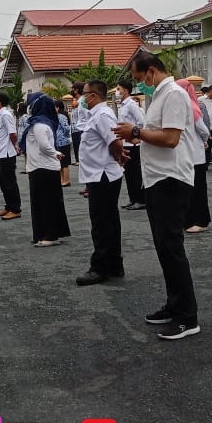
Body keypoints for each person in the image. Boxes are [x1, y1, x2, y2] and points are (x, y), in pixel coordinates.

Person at [114, 52, 200, 341]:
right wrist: (132, 138)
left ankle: (187, 317)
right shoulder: (159, 96)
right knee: (164, 247)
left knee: (171, 247)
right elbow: (154, 135)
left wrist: (136, 130)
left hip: (171, 178)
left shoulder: (173, 94)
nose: (140, 86)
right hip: (157, 179)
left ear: (151, 72)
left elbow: (171, 138)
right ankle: (175, 305)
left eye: (140, 80)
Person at [76, 79, 126, 285]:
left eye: (83, 93)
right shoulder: (96, 114)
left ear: (94, 95)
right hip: (99, 174)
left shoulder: (103, 115)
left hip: (103, 174)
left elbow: (114, 142)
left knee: (101, 222)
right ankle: (114, 265)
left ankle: (100, 267)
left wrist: (118, 157)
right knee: (109, 220)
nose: (80, 97)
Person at [20, 94, 70, 247]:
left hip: (43, 167)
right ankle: (44, 234)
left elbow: (43, 146)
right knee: (44, 203)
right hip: (42, 167)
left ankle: (48, 235)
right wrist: (56, 153)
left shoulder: (39, 124)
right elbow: (45, 146)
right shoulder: (41, 124)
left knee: (45, 204)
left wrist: (55, 153)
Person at [177, 79, 211, 234]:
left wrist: (203, 141)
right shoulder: (183, 106)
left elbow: (203, 130)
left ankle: (202, 221)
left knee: (198, 190)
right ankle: (190, 219)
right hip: (187, 154)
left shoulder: (191, 107)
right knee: (189, 189)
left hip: (195, 155)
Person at [116, 77, 146, 210]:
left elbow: (141, 122)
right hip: (125, 144)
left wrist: (136, 136)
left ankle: (140, 200)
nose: (117, 92)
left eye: (119, 89)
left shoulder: (131, 104)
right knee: (128, 173)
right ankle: (132, 198)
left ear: (126, 90)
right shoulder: (122, 105)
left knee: (136, 173)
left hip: (133, 145)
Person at [0, 91, 22, 220]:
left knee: (9, 182)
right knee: (3, 182)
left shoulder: (6, 114)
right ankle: (8, 206)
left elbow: (13, 133)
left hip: (7, 153)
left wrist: (15, 145)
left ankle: (15, 209)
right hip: (0, 153)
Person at [54, 99, 73, 187]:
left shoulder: (61, 116)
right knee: (61, 163)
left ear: (58, 107)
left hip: (63, 142)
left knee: (64, 163)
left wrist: (64, 136)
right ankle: (63, 180)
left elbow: (66, 128)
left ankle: (66, 180)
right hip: (59, 142)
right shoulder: (58, 115)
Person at [70, 82, 87, 164]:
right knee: (76, 147)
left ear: (76, 90)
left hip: (81, 129)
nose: (71, 91)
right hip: (75, 129)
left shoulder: (83, 101)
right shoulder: (77, 101)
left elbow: (87, 115)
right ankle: (78, 160)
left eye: (72, 89)